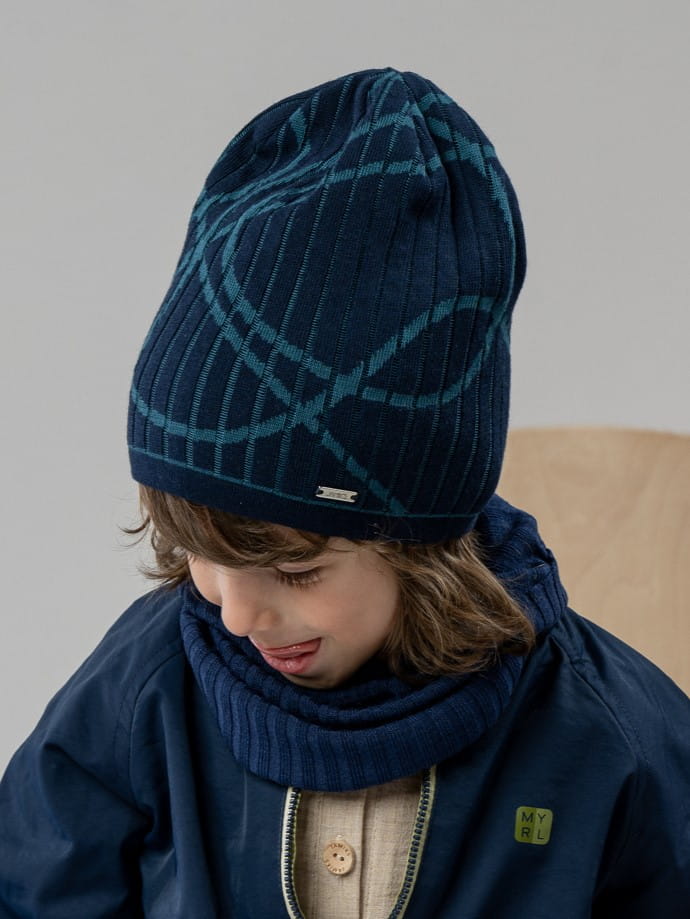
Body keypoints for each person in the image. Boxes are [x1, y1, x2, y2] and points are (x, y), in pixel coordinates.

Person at [1, 67, 689, 918]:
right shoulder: (143, 689)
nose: (237, 614)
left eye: (295, 570)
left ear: (421, 543)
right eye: (201, 555)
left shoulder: (605, 733)